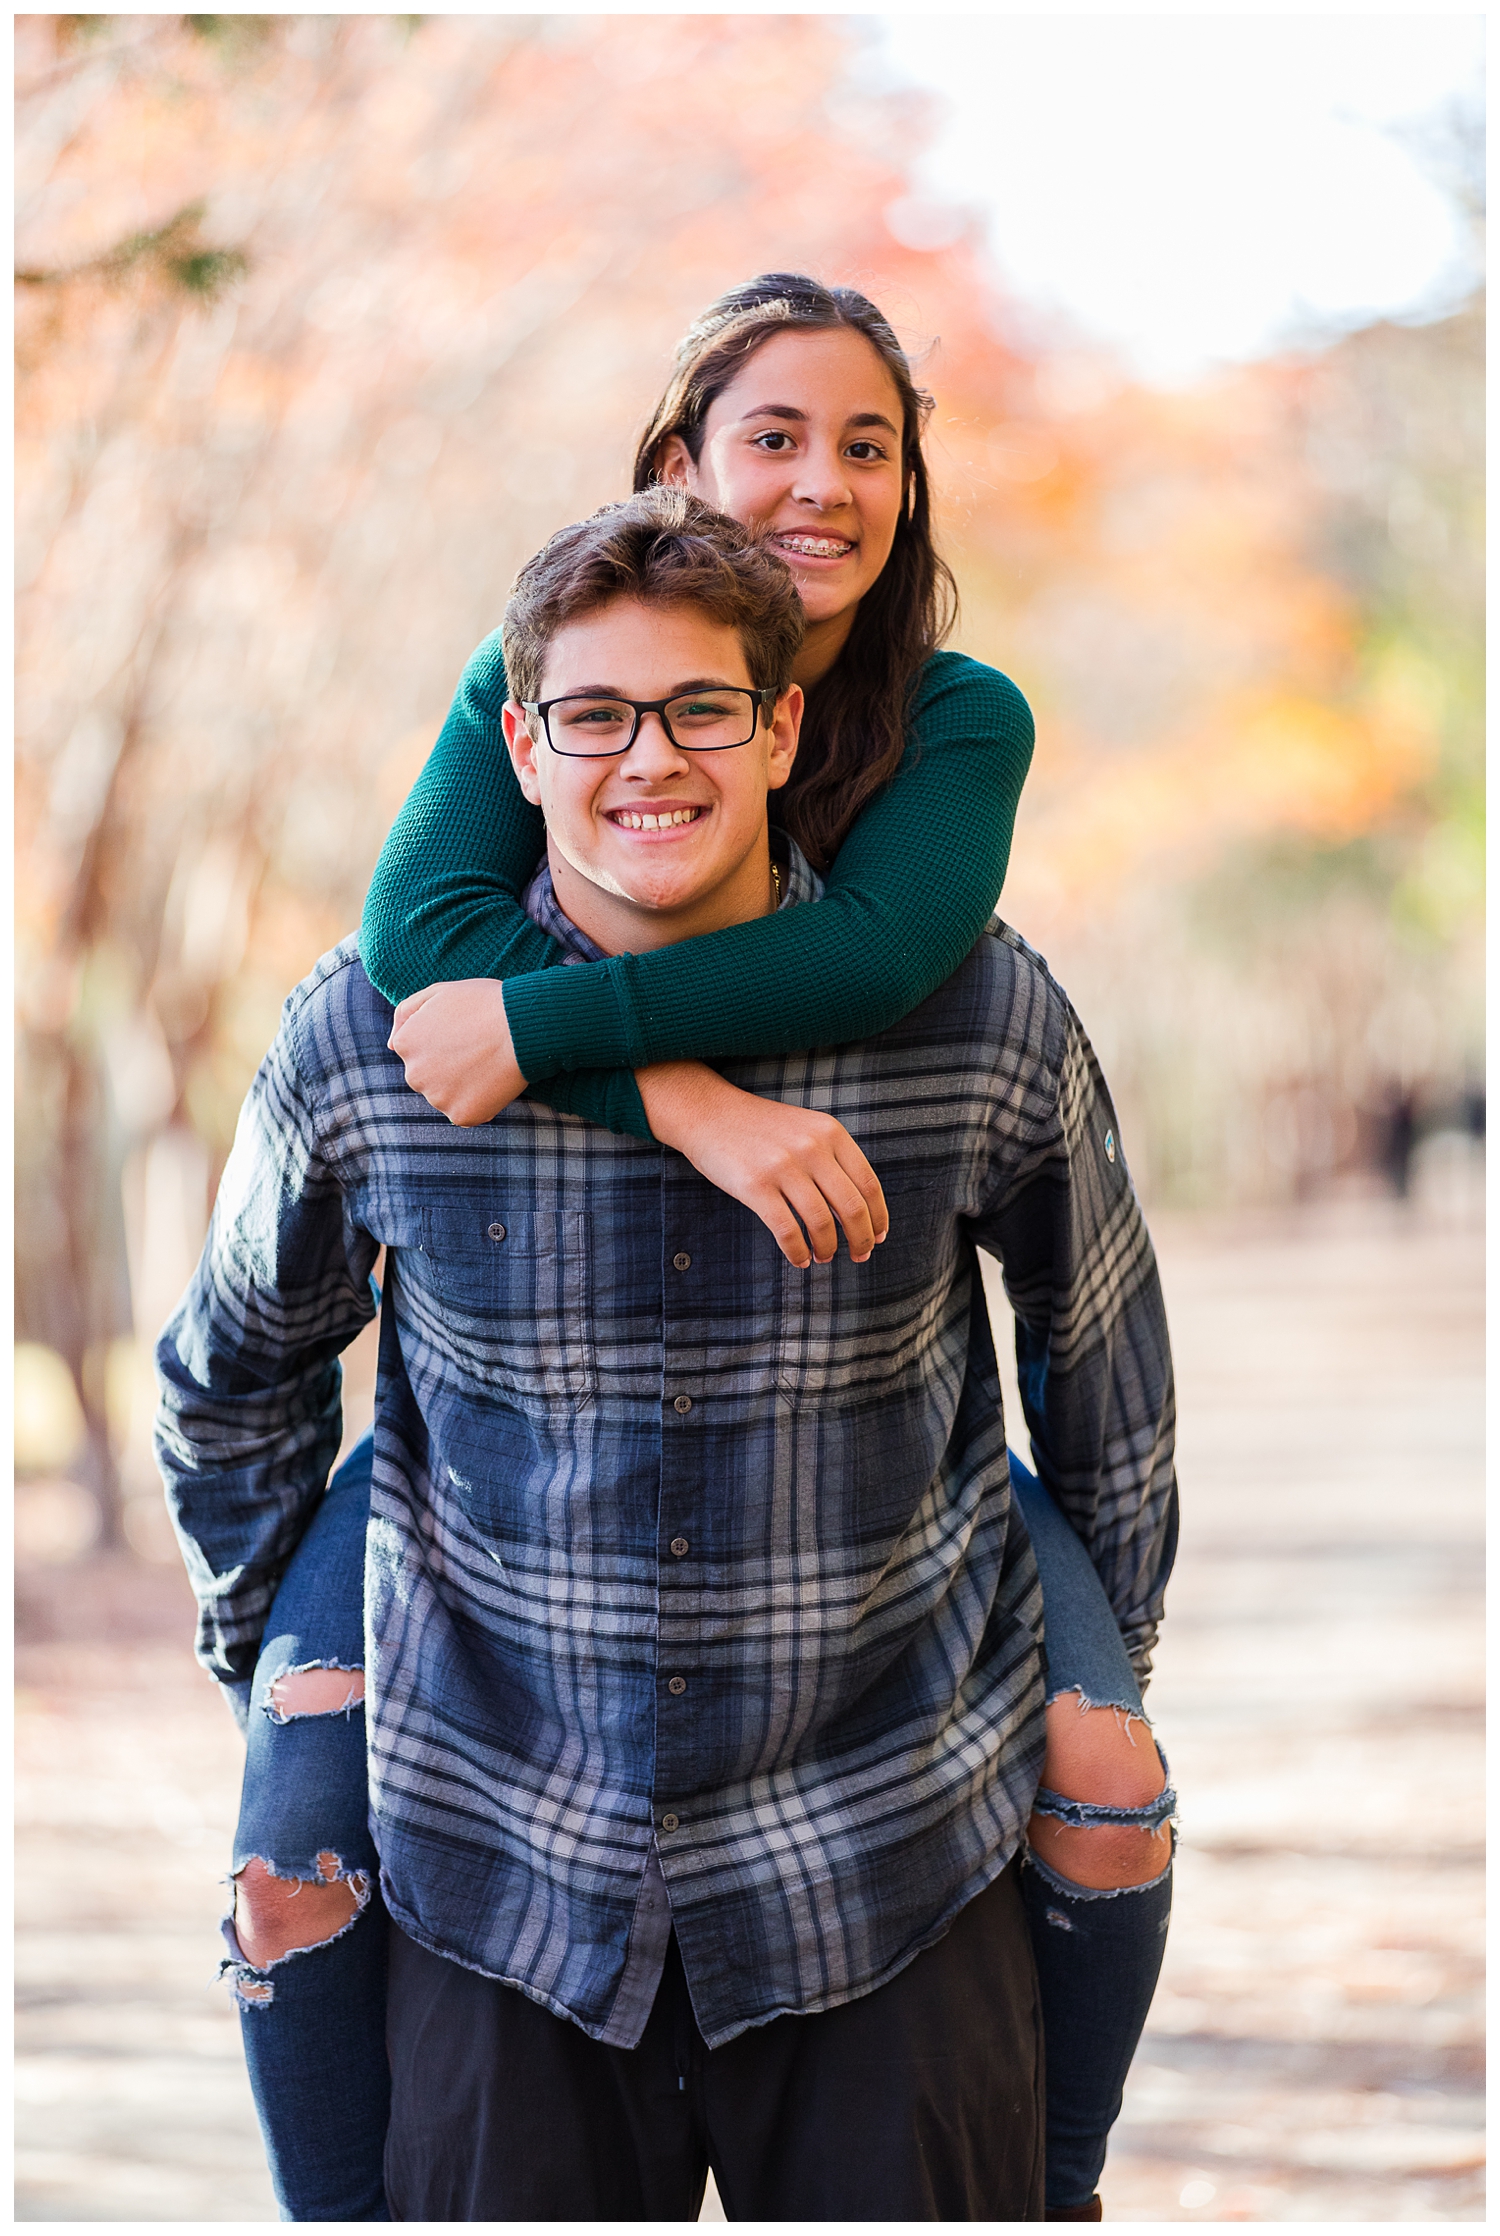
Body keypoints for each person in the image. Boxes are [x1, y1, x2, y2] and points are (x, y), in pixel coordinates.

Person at [179, 275, 1176, 2222]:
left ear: (787, 716)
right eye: (597, 716)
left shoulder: (969, 1005)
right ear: (519, 727)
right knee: (287, 1859)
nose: (651, 757)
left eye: (706, 708)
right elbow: (234, 1372)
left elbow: (1102, 1371)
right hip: (503, 1861)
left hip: (886, 1851)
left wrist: (1082, 1662)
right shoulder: (382, 1041)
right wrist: (289, 1666)